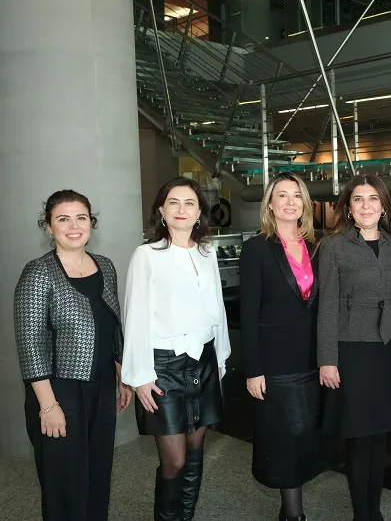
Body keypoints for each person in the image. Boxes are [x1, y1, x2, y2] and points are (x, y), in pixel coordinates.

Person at [14, 189, 132, 521]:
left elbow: (112, 324)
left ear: (91, 222)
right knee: (65, 479)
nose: (74, 226)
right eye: (63, 219)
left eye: (81, 218)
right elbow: (30, 345)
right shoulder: (38, 273)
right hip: (58, 390)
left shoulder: (105, 266)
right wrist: (48, 406)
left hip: (102, 384)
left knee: (98, 470)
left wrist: (122, 373)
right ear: (48, 226)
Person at [122, 177, 231, 521]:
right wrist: (140, 375)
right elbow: (135, 316)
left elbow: (218, 311)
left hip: (204, 360)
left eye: (189, 203)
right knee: (175, 460)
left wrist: (221, 359)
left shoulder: (207, 252)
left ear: (199, 213)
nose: (181, 209)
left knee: (196, 449)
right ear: (161, 210)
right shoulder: (147, 255)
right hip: (163, 367)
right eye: (173, 202)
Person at [317, 175, 391, 521]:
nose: (366, 206)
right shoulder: (334, 246)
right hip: (353, 348)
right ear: (348, 208)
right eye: (358, 199)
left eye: (373, 198)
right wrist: (327, 359)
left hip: (390, 347)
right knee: (359, 436)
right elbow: (327, 305)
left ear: (384, 206)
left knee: (380, 436)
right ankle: (363, 514)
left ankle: (374, 510)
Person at [239, 172, 328, 521]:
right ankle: (294, 514)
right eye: (282, 195)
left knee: (306, 435)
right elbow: (248, 313)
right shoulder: (256, 248)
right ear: (270, 204)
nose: (290, 202)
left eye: (297, 195)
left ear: (305, 203)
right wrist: (253, 369)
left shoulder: (318, 246)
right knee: (285, 438)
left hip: (314, 360)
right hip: (276, 363)